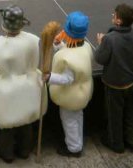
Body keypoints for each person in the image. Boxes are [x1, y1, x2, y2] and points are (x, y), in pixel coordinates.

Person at [0, 6, 42, 163]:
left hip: (7, 90)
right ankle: (24, 151)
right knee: (26, 121)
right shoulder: (32, 40)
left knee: (7, 124)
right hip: (28, 85)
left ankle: (7, 153)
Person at [45, 11, 94, 158]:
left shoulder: (69, 58)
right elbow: (71, 55)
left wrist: (49, 77)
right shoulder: (85, 46)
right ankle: (77, 141)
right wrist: (59, 45)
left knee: (69, 121)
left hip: (71, 97)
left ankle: (74, 148)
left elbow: (67, 78)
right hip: (83, 93)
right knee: (77, 117)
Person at [95, 3, 133, 153]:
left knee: (114, 114)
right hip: (130, 80)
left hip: (114, 83)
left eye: (114, 15)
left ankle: (116, 143)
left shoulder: (110, 39)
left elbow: (100, 58)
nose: (112, 16)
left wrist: (101, 43)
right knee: (130, 111)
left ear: (119, 21)